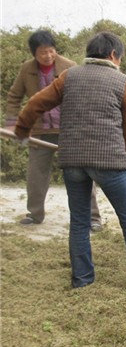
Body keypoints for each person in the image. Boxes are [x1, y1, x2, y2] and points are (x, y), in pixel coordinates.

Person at [15, 31, 126, 289]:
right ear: (113, 55)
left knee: (79, 222)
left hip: (73, 162)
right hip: (110, 162)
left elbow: (36, 103)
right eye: (120, 58)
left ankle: (82, 280)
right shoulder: (122, 81)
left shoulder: (69, 76)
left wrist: (22, 130)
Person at [5, 30, 103, 230]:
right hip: (40, 131)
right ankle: (35, 214)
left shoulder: (70, 67)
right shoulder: (26, 70)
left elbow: (81, 96)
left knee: (81, 173)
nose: (48, 56)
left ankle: (93, 218)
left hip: (68, 130)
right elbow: (14, 96)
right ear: (34, 53)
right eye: (42, 52)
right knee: (36, 174)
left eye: (51, 51)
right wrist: (12, 122)